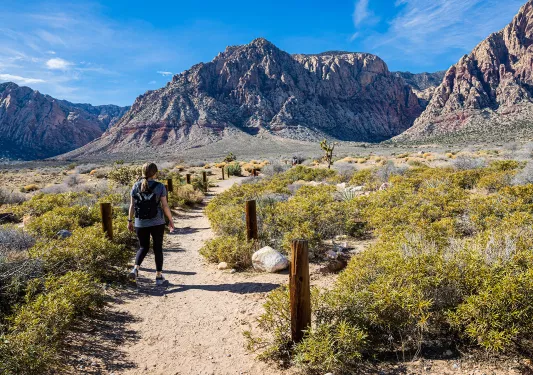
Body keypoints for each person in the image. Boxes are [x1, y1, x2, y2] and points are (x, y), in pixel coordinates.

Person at [128, 162, 175, 285]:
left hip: (140, 223)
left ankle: (135, 268)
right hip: (157, 222)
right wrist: (170, 220)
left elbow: (132, 205)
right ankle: (159, 277)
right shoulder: (160, 186)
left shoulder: (135, 186)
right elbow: (165, 206)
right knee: (157, 248)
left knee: (143, 247)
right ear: (154, 173)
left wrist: (130, 221)